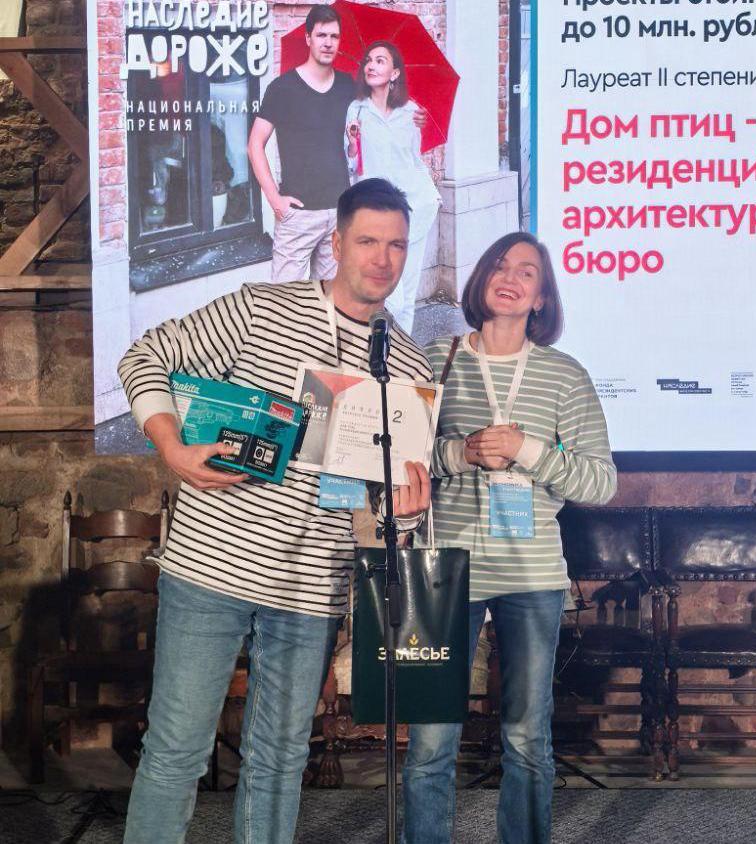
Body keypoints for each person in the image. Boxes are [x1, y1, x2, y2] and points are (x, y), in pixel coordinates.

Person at [118, 178, 434, 844]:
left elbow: (378, 512)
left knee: (281, 761)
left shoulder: (406, 367)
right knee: (176, 751)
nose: (382, 258)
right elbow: (145, 355)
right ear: (336, 243)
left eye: (397, 245)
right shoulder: (261, 308)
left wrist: (405, 514)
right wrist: (171, 447)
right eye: (368, 241)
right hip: (210, 570)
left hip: (311, 590)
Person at [401, 232, 618, 844]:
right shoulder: (432, 361)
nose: (511, 277)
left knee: (526, 736)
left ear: (542, 296)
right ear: (481, 281)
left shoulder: (564, 375)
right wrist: (462, 453)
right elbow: (397, 457)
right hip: (442, 569)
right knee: (430, 740)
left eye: (527, 271)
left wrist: (529, 450)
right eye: (499, 265)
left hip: (531, 574)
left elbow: (601, 481)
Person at [248, 6, 353, 284]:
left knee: (330, 298)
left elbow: (356, 145)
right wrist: (275, 199)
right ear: (308, 38)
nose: (328, 43)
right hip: (298, 215)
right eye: (321, 35)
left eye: (334, 36)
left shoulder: (348, 87)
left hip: (339, 212)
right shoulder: (283, 88)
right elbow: (255, 144)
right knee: (285, 301)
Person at [345, 40, 441, 336]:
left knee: (407, 292)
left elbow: (413, 159)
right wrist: (352, 143)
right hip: (376, 211)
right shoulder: (357, 110)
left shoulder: (411, 112)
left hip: (415, 206)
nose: (371, 66)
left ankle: (403, 353)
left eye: (380, 61)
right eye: (368, 61)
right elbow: (352, 164)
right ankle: (383, 347)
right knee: (390, 293)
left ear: (395, 73)